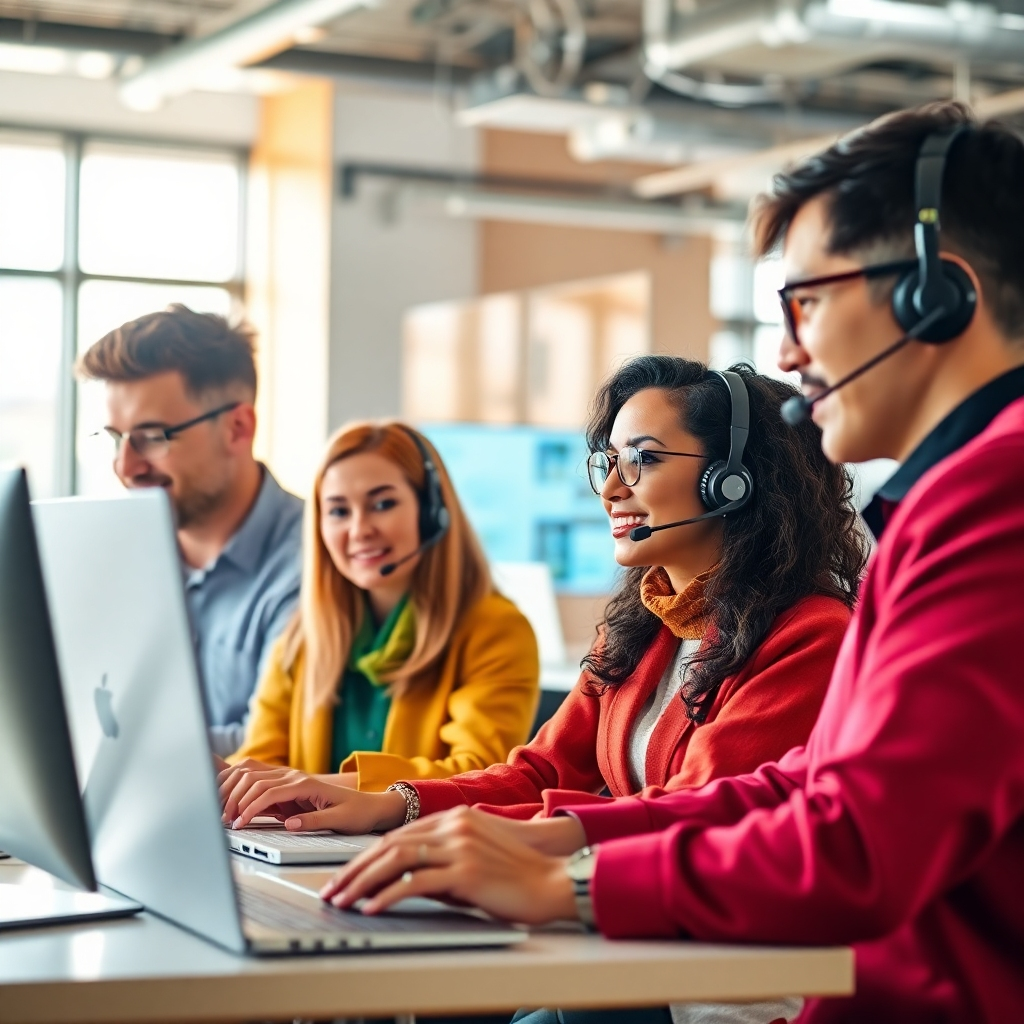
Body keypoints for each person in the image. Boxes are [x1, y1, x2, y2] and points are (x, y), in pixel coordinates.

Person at [319, 103, 1024, 1024]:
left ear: (940, 293)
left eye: (807, 301)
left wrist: (573, 884)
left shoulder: (996, 500)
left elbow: (853, 846)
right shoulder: (946, 509)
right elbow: (798, 788)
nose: (787, 351)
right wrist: (562, 836)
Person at [222, 358, 865, 834]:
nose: (611, 487)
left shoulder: (809, 636)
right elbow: (541, 772)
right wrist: (395, 801)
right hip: (612, 934)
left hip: (713, 985)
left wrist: (496, 830)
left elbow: (688, 814)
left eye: (641, 459)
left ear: (734, 480)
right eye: (607, 461)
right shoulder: (644, 626)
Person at [217, 420, 540, 800]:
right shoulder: (303, 637)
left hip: (425, 852)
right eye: (338, 511)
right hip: (305, 850)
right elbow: (262, 760)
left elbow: (479, 776)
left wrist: (325, 788)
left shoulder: (495, 629)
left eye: (383, 504)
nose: (359, 530)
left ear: (431, 511)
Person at [78, 305, 302, 757]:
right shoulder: (113, 558)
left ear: (238, 428)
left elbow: (268, 748)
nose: (125, 467)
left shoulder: (321, 563)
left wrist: (96, 745)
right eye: (115, 439)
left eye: (154, 436)